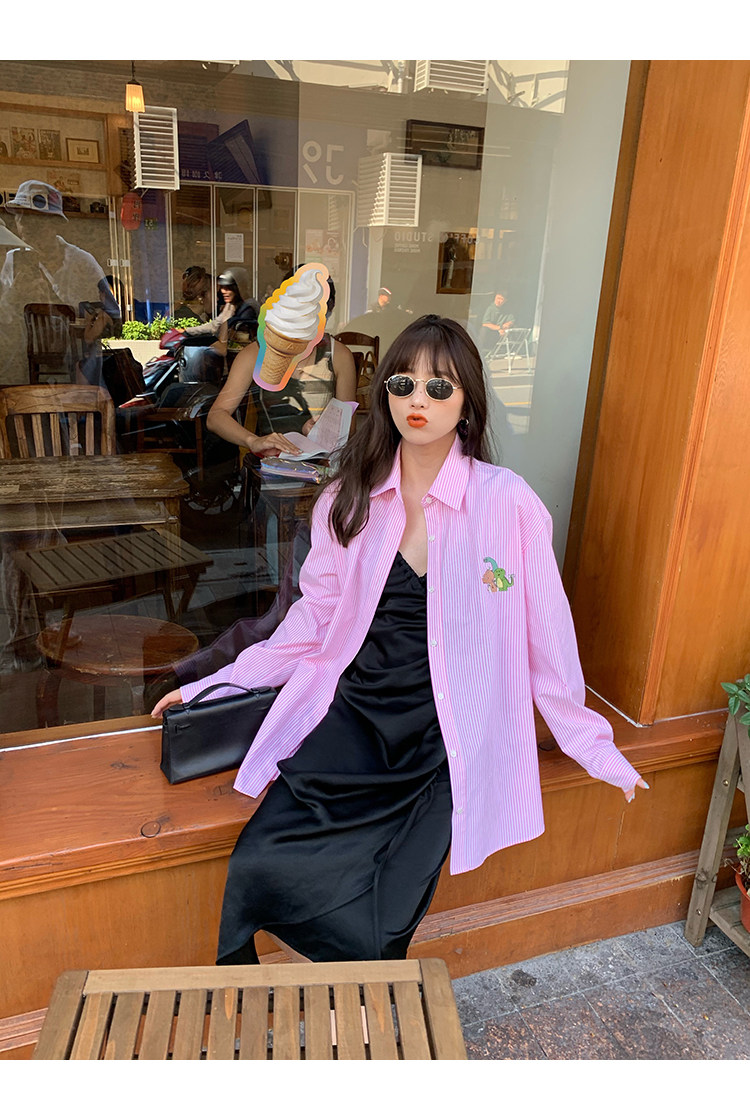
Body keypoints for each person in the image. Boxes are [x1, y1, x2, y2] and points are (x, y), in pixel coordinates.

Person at [152, 313, 648, 966]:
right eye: (403, 383)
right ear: (384, 393)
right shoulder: (349, 499)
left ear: (467, 401)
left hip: (445, 731)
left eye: (439, 387)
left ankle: (360, 1003)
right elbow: (309, 624)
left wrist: (590, 743)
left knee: (383, 920)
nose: (419, 399)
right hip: (357, 715)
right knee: (260, 859)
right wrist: (218, 683)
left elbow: (546, 635)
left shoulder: (507, 503)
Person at [205, 273, 357, 457]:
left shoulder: (339, 356)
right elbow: (216, 416)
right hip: (271, 464)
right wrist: (253, 441)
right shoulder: (254, 354)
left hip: (323, 464)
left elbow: (349, 429)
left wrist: (322, 432)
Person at [0, 179, 120, 386]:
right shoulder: (12, 260)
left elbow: (114, 320)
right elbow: (4, 319)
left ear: (54, 223)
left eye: (37, 219)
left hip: (78, 373)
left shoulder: (82, 262)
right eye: (21, 216)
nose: (26, 225)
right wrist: (14, 296)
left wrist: (89, 327)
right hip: (26, 374)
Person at [180, 266, 253, 384]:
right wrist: (187, 331)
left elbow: (224, 345)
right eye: (221, 289)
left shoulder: (246, 309)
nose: (222, 293)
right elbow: (214, 327)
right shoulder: (229, 308)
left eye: (228, 288)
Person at [478, 291, 515, 357]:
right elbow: (485, 324)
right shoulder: (490, 308)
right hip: (491, 332)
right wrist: (499, 328)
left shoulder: (507, 310)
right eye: (498, 298)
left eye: (501, 299)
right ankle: (479, 351)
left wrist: (507, 325)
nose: (498, 301)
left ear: (505, 301)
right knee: (483, 330)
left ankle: (511, 350)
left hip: (503, 332)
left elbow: (511, 321)